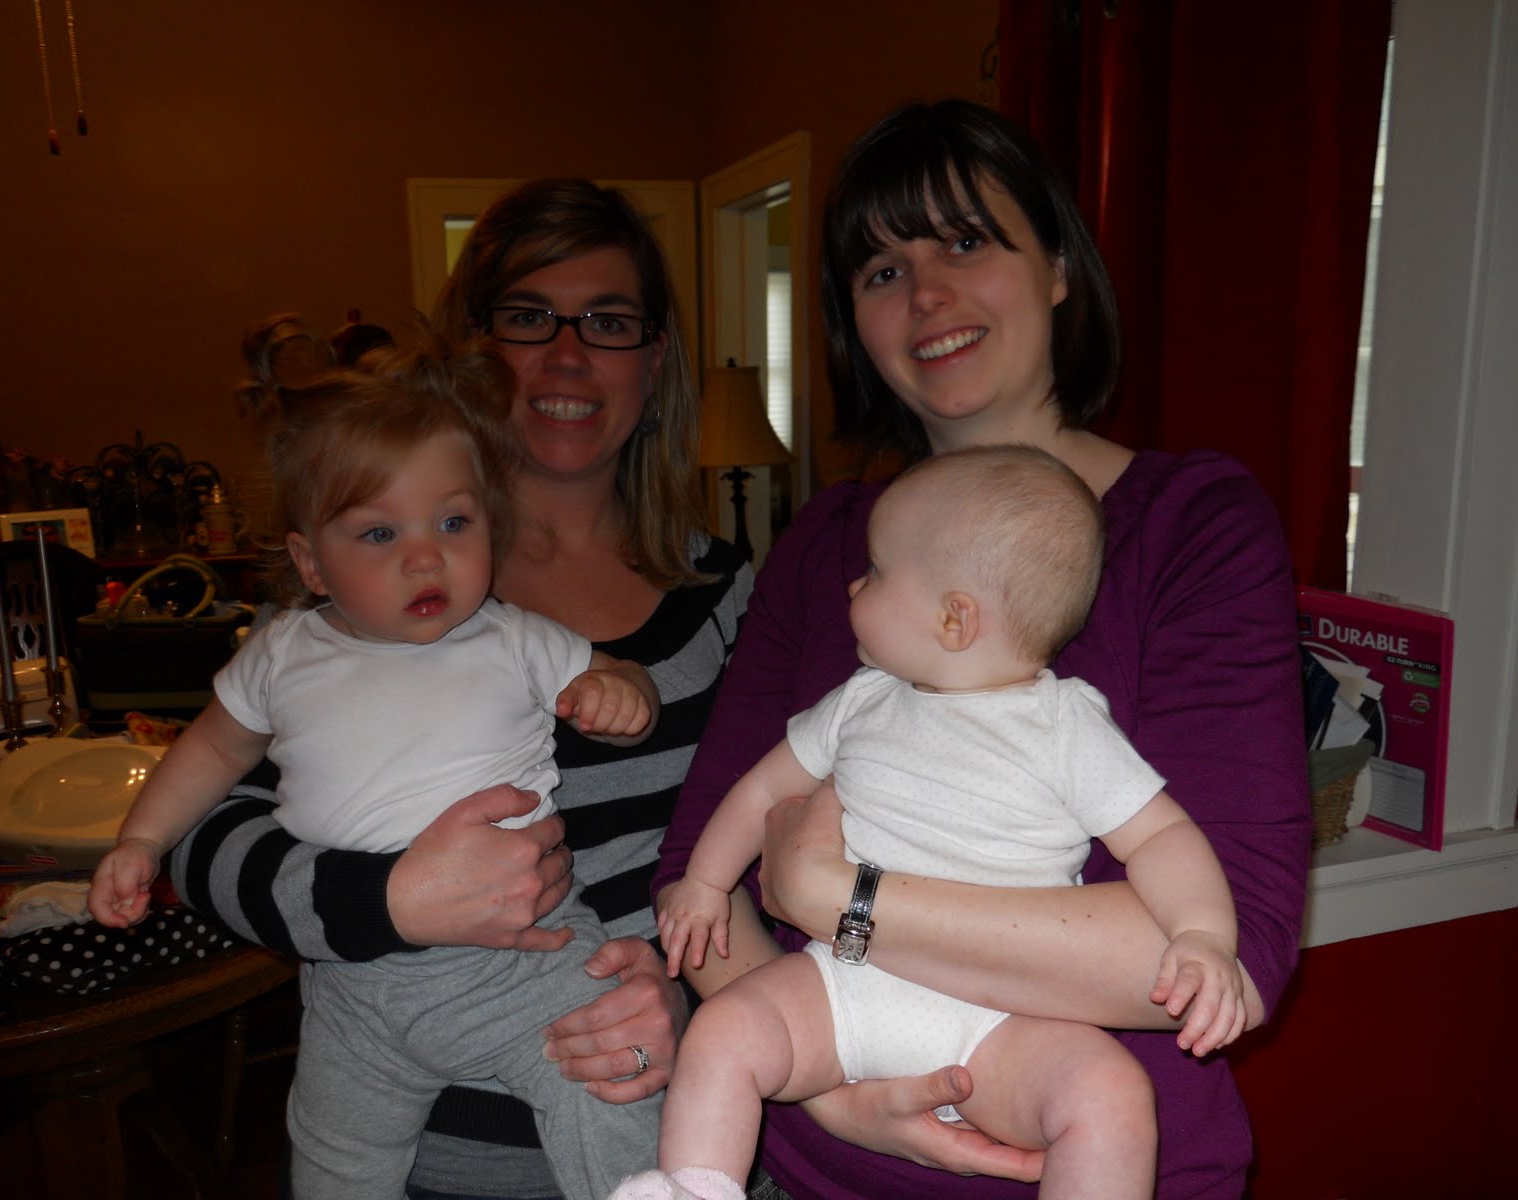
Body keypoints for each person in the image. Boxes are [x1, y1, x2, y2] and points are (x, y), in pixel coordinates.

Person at [653, 100, 1309, 1200]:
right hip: (821, 1172)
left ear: (1056, 267)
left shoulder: (1192, 525)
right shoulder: (820, 547)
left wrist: (833, 895)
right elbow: (698, 877)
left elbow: (1218, 954)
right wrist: (828, 1083)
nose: (924, 295)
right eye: (880, 271)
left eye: (964, 240)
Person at [164, 179, 753, 1199]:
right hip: (425, 1163)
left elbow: (780, 854)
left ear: (654, 361)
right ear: (472, 354)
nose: (567, 356)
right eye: (528, 317)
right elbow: (197, 838)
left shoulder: (728, 592)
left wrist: (697, 1002)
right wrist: (389, 900)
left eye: (609, 322)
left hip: (668, 1138)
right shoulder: (363, 591)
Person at [88, 329, 664, 1200]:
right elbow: (209, 749)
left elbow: (619, 680)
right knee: (333, 1159)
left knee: (611, 1093)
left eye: (454, 523)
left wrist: (622, 695)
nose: (425, 557)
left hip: (522, 964)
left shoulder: (515, 638)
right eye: (380, 532)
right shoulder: (282, 653)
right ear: (311, 564)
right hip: (353, 981)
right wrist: (141, 840)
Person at [628, 445, 1244, 1200]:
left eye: (877, 571)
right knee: (723, 1032)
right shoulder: (861, 700)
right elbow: (760, 792)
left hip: (1004, 1023)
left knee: (1111, 1097)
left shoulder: (1066, 727)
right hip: (843, 991)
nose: (854, 584)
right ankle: (694, 1189)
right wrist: (703, 882)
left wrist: (1202, 935)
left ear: (954, 618)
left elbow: (1161, 837)